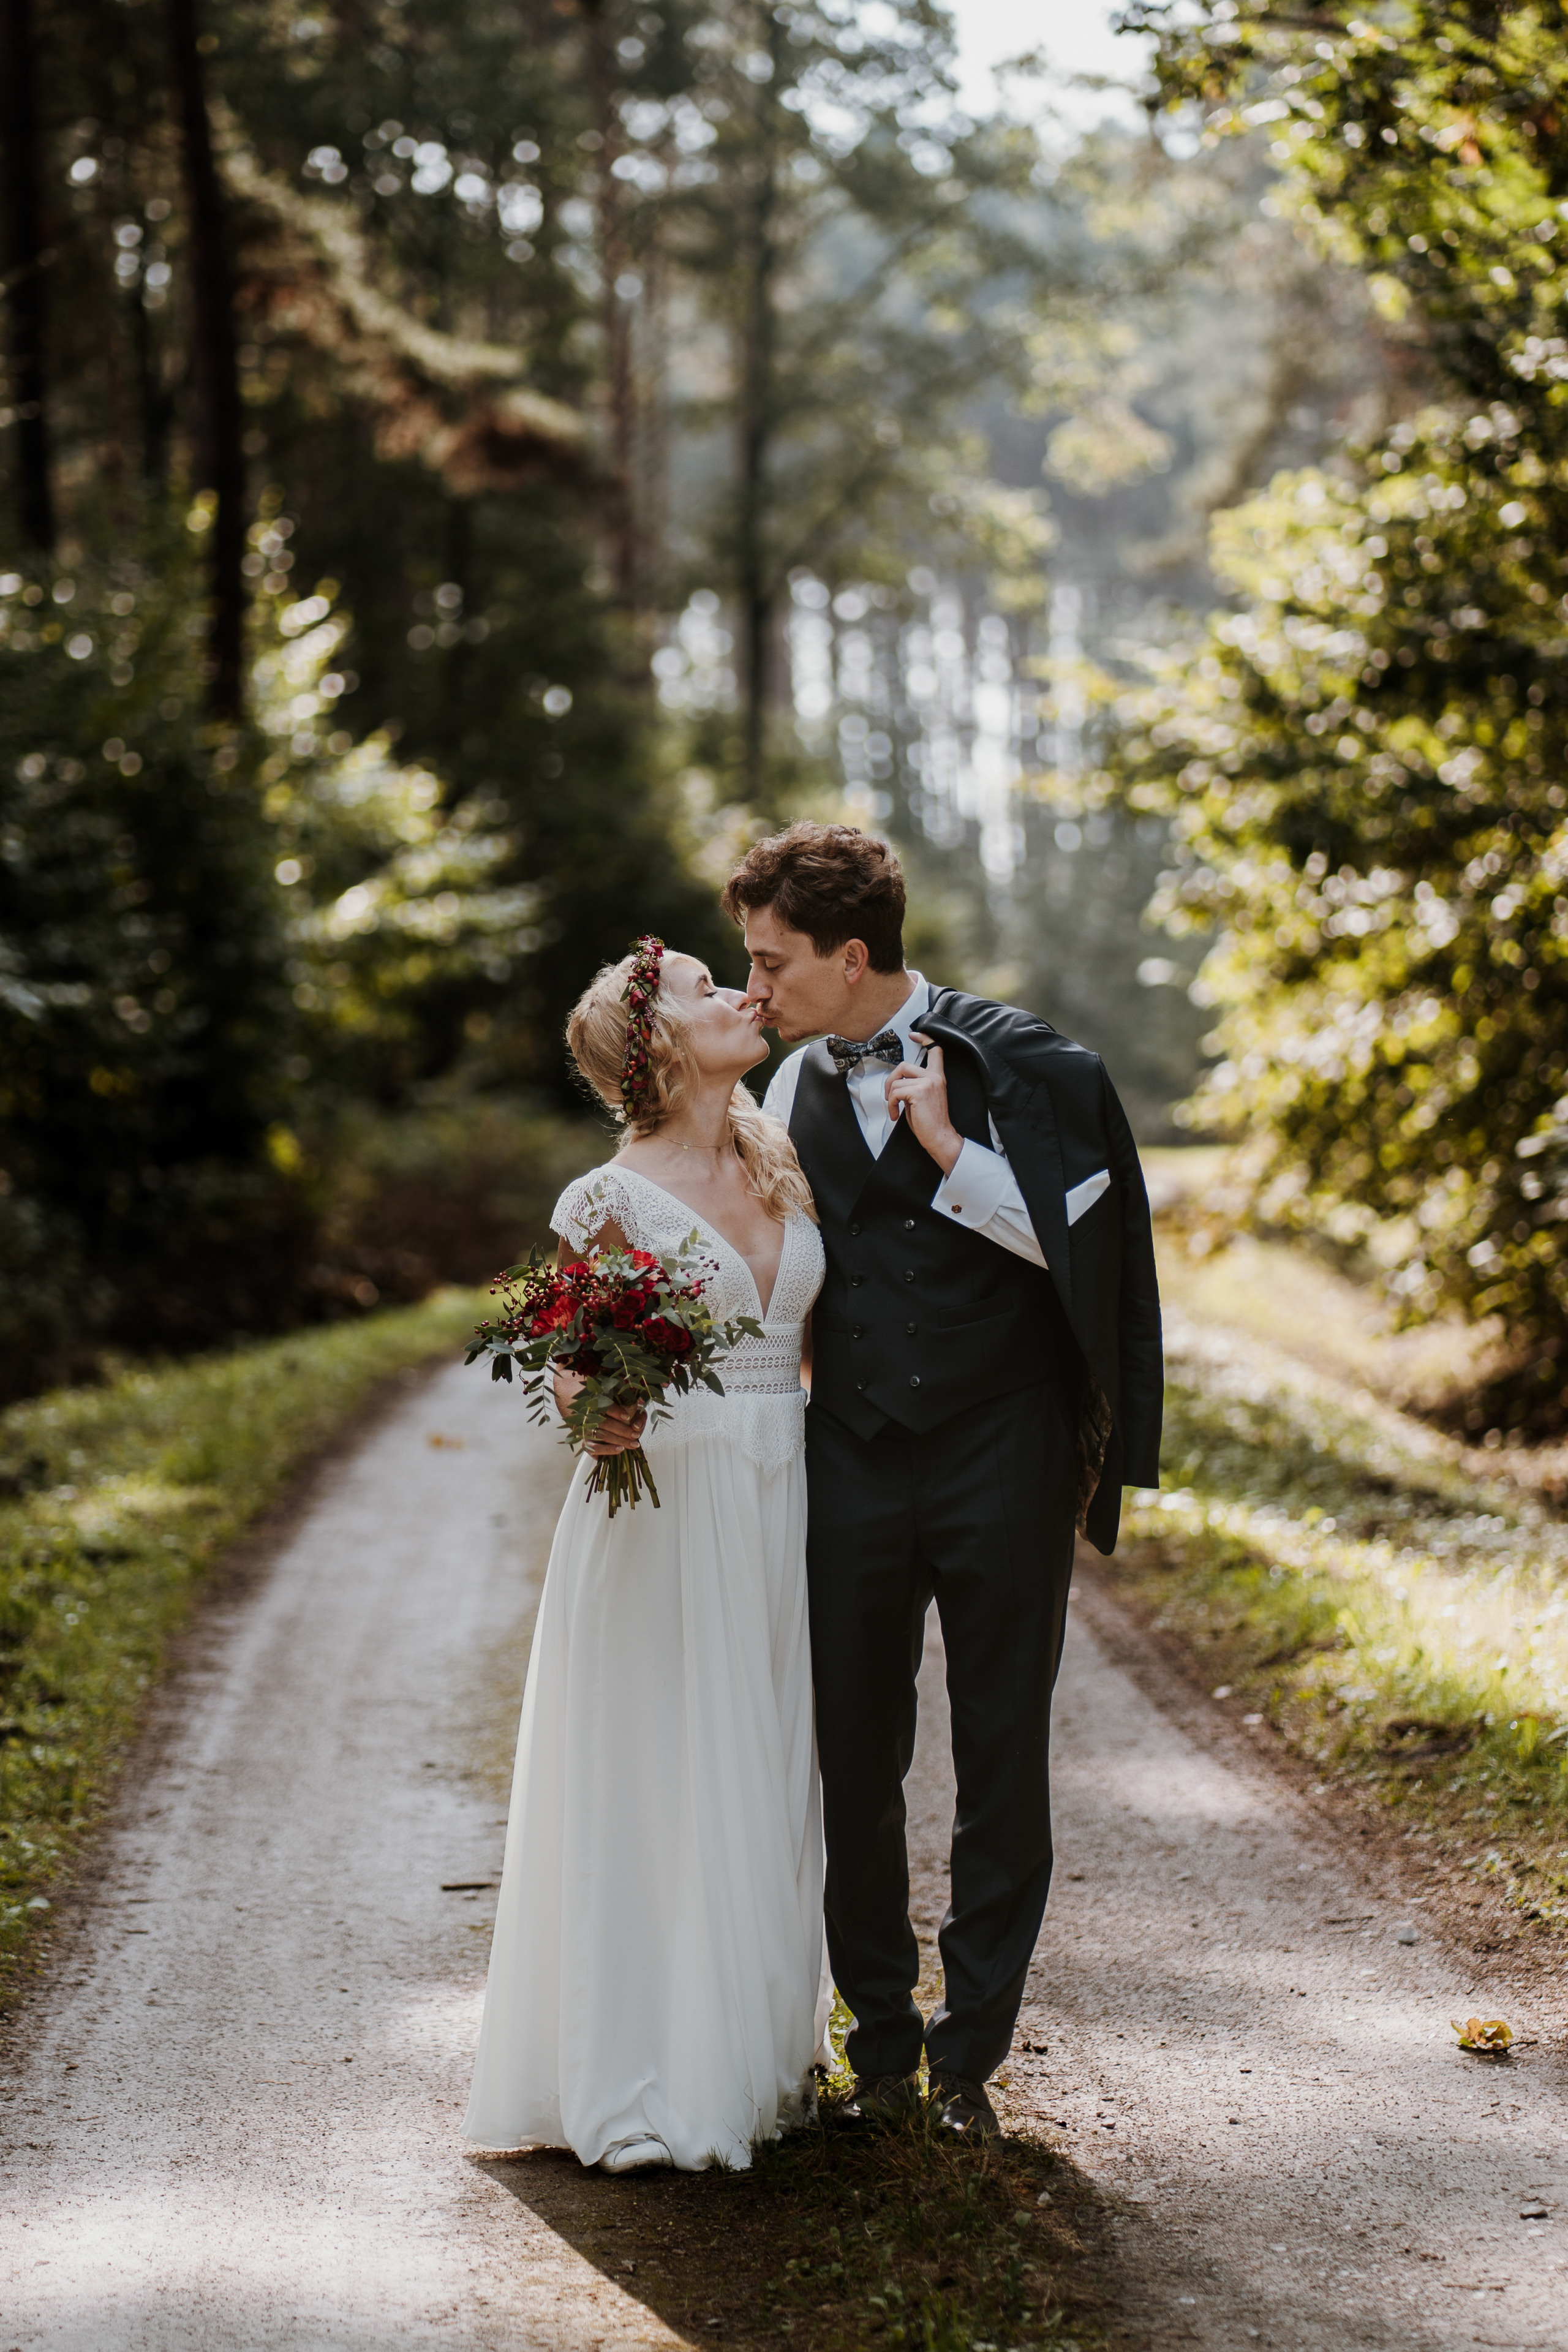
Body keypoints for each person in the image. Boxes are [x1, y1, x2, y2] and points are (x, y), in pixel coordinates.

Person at [723, 821, 1163, 2143]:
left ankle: (970, 2060)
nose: (753, 990)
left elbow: (1094, 1263)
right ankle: (881, 2049)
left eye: (769, 961)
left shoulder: (1032, 1065)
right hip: (847, 1454)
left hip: (1000, 1453)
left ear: (850, 957)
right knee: (850, 1759)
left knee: (998, 1754)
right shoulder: (788, 1085)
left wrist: (947, 1153)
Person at [462, 941, 827, 2173]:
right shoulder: (603, 1201)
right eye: (706, 989)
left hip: (784, 1487)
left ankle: (760, 2052)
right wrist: (589, 1405)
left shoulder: (780, 1152)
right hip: (669, 1500)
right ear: (657, 1043)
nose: (741, 993)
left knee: (767, 1761)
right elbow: (572, 1364)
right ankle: (647, 2071)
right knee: (662, 1767)